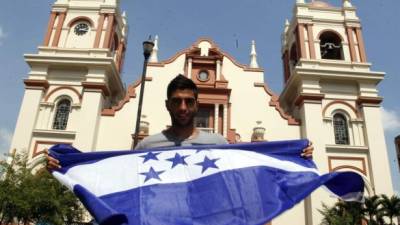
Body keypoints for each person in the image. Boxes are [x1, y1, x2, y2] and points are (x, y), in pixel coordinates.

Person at [46, 74, 313, 169]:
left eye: (189, 101)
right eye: (177, 101)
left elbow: (253, 163)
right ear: (167, 105)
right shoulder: (147, 145)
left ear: (196, 104)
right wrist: (68, 165)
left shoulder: (219, 143)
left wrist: (293, 155)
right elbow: (114, 174)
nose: (183, 107)